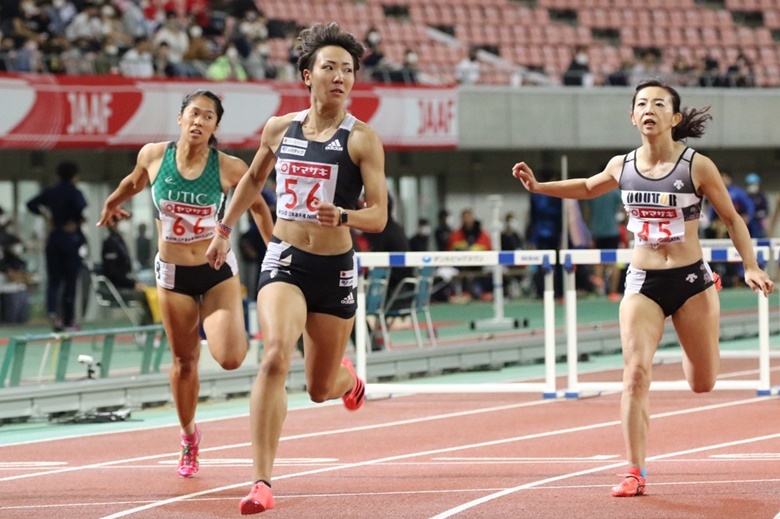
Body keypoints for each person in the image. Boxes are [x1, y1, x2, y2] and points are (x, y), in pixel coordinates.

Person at [511, 79, 774, 498]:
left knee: (703, 383)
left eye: (658, 103)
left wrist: (751, 264)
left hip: (691, 281)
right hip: (643, 281)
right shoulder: (622, 165)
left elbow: (732, 218)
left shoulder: (696, 166)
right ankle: (635, 470)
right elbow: (586, 186)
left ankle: (705, 312)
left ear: (674, 118)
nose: (648, 109)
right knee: (634, 374)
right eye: (641, 104)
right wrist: (541, 187)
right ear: (633, 117)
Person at [204, 23, 387, 514]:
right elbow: (252, 180)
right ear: (308, 75)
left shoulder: (363, 140)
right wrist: (223, 229)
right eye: (329, 67)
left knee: (319, 388)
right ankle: (261, 482)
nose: (340, 77)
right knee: (274, 357)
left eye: (348, 69)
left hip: (336, 268)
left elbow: (381, 214)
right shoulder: (278, 128)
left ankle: (347, 379)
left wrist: (345, 215)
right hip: (285, 256)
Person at [97, 89, 273, 480]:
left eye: (208, 117)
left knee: (230, 357)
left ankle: (219, 326)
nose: (199, 122)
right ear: (180, 118)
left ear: (215, 127)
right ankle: (189, 437)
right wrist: (111, 202)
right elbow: (134, 181)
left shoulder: (227, 167)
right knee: (183, 362)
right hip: (173, 276)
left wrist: (276, 249)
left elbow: (258, 204)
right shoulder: (154, 155)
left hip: (216, 273)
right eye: (194, 114)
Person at [26, 161, 88, 331]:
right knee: (70, 281)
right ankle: (68, 320)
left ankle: (53, 314)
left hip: (54, 239)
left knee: (54, 280)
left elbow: (31, 204)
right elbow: (81, 208)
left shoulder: (51, 192)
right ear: (74, 175)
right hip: (70, 239)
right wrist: (77, 222)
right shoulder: (75, 192)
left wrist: (47, 217)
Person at [100, 218, 153, 324]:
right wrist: (132, 284)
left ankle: (149, 327)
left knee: (153, 293)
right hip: (116, 288)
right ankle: (147, 329)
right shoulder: (110, 243)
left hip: (124, 283)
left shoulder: (118, 240)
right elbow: (113, 274)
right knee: (146, 295)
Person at [744, 172, 769, 238]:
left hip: (758, 222)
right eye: (750, 184)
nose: (751, 186)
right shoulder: (745, 196)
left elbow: (766, 211)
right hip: (747, 223)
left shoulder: (762, 197)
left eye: (753, 184)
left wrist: (756, 214)